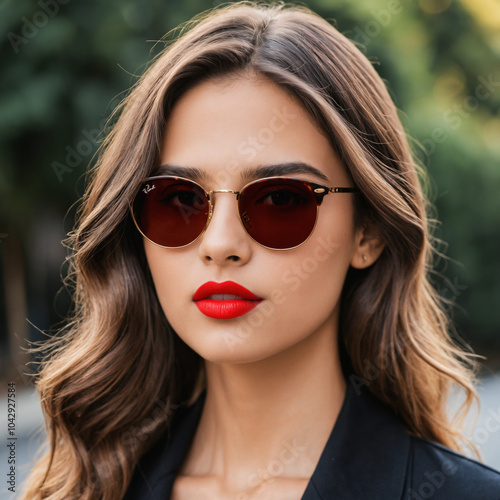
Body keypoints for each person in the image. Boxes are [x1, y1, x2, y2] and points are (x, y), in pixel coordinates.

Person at [21, 1, 500, 499]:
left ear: (369, 233)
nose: (221, 244)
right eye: (180, 199)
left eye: (279, 199)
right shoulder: (81, 491)